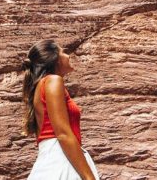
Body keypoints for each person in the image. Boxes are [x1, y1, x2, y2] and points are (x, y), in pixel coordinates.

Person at [21, 39, 100, 180]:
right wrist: (89, 178)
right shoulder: (53, 81)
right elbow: (63, 133)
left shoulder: (40, 87)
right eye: (63, 51)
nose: (68, 56)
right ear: (55, 58)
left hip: (51, 159)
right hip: (62, 158)